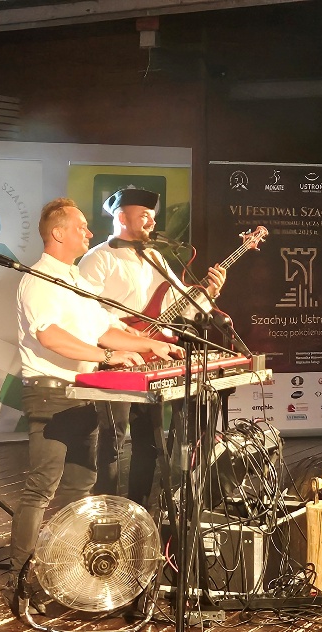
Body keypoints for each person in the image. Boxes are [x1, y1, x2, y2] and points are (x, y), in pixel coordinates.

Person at [5, 197, 181, 613]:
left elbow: (103, 330)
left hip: (84, 393)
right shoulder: (38, 279)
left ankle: (64, 569)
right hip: (49, 393)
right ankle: (20, 581)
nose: (88, 232)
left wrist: (151, 345)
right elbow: (50, 336)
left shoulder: (75, 280)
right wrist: (107, 357)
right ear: (57, 233)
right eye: (80, 226)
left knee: (80, 485)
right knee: (42, 487)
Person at [78, 188, 227, 506]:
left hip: (149, 361)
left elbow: (182, 305)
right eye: (144, 215)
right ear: (121, 217)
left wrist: (210, 292)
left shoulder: (155, 258)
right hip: (114, 360)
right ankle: (106, 511)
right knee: (113, 441)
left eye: (153, 216)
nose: (152, 221)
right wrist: (127, 334)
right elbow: (85, 312)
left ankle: (139, 508)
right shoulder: (98, 259)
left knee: (148, 442)